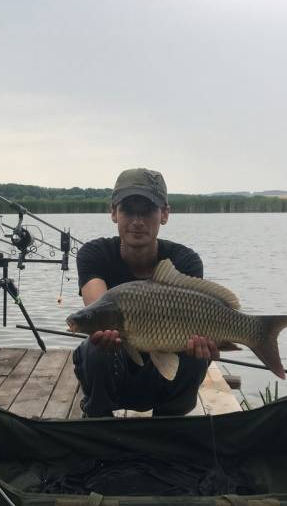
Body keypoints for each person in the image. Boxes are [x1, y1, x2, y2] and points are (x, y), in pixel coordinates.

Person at [72, 168, 219, 418]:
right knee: (97, 344)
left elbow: (200, 315)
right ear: (113, 213)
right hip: (115, 372)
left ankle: (169, 421)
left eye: (148, 210)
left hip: (162, 375)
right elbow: (98, 308)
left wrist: (212, 342)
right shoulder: (94, 253)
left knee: (196, 354)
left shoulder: (185, 260)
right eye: (128, 210)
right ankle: (98, 419)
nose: (137, 221)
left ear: (164, 214)